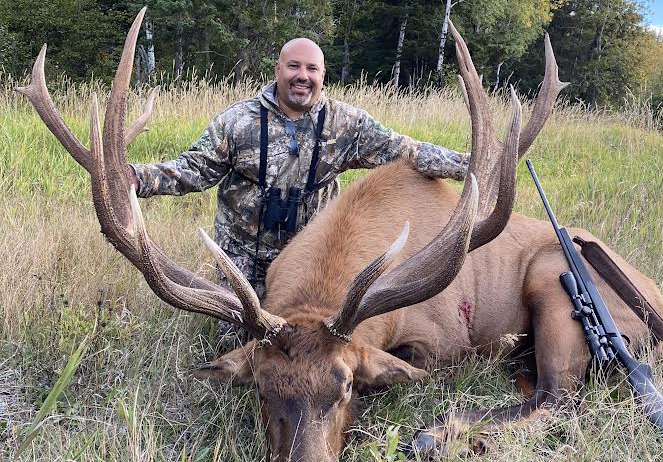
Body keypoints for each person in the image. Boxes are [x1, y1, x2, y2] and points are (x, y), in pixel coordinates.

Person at [130, 38, 469, 303]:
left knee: (315, 342)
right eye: (294, 66)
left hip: (313, 260)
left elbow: (410, 152)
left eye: (312, 69)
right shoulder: (237, 122)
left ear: (323, 75)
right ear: (278, 70)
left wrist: (469, 165)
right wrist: (137, 178)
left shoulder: (345, 125)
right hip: (244, 256)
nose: (302, 76)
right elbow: (193, 169)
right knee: (241, 342)